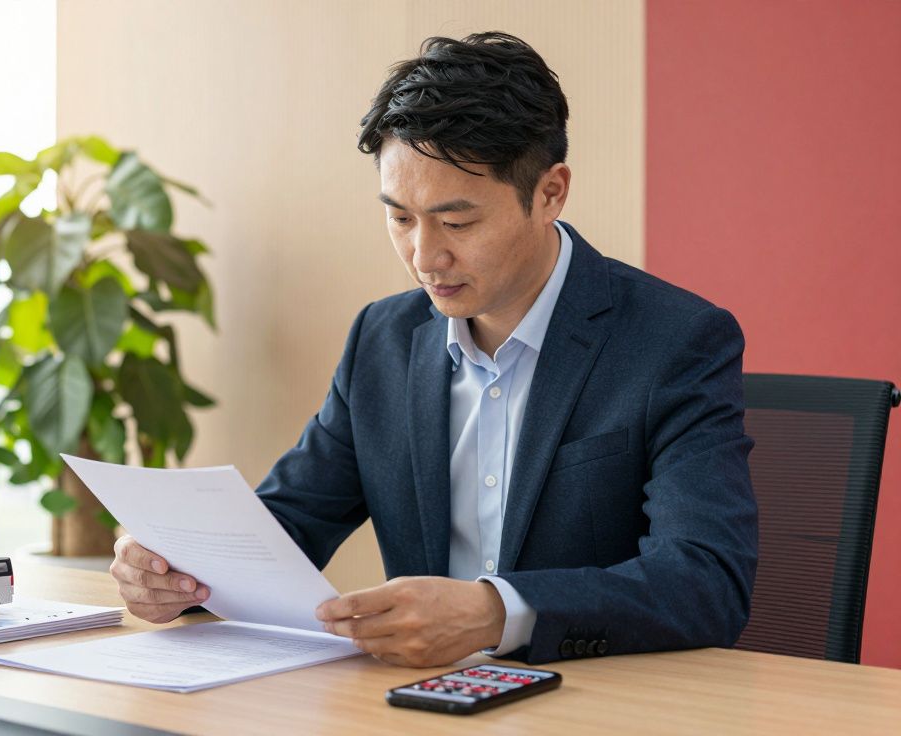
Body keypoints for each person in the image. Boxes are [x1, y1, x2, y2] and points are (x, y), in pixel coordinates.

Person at [107, 31, 758, 667]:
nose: (424, 256)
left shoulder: (674, 341)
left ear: (551, 192)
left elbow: (705, 580)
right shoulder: (383, 340)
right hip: (418, 706)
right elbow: (289, 523)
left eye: (456, 222)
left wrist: (496, 612)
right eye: (399, 217)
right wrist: (177, 570)